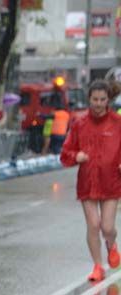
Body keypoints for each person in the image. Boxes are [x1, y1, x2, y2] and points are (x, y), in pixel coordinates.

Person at [60, 79, 121, 283]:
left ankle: (112, 245)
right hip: (87, 182)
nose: (98, 103)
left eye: (102, 99)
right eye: (95, 99)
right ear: (89, 99)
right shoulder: (79, 124)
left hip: (111, 182)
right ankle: (97, 266)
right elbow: (65, 152)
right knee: (93, 225)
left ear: (108, 100)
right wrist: (75, 156)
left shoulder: (117, 123)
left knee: (107, 227)